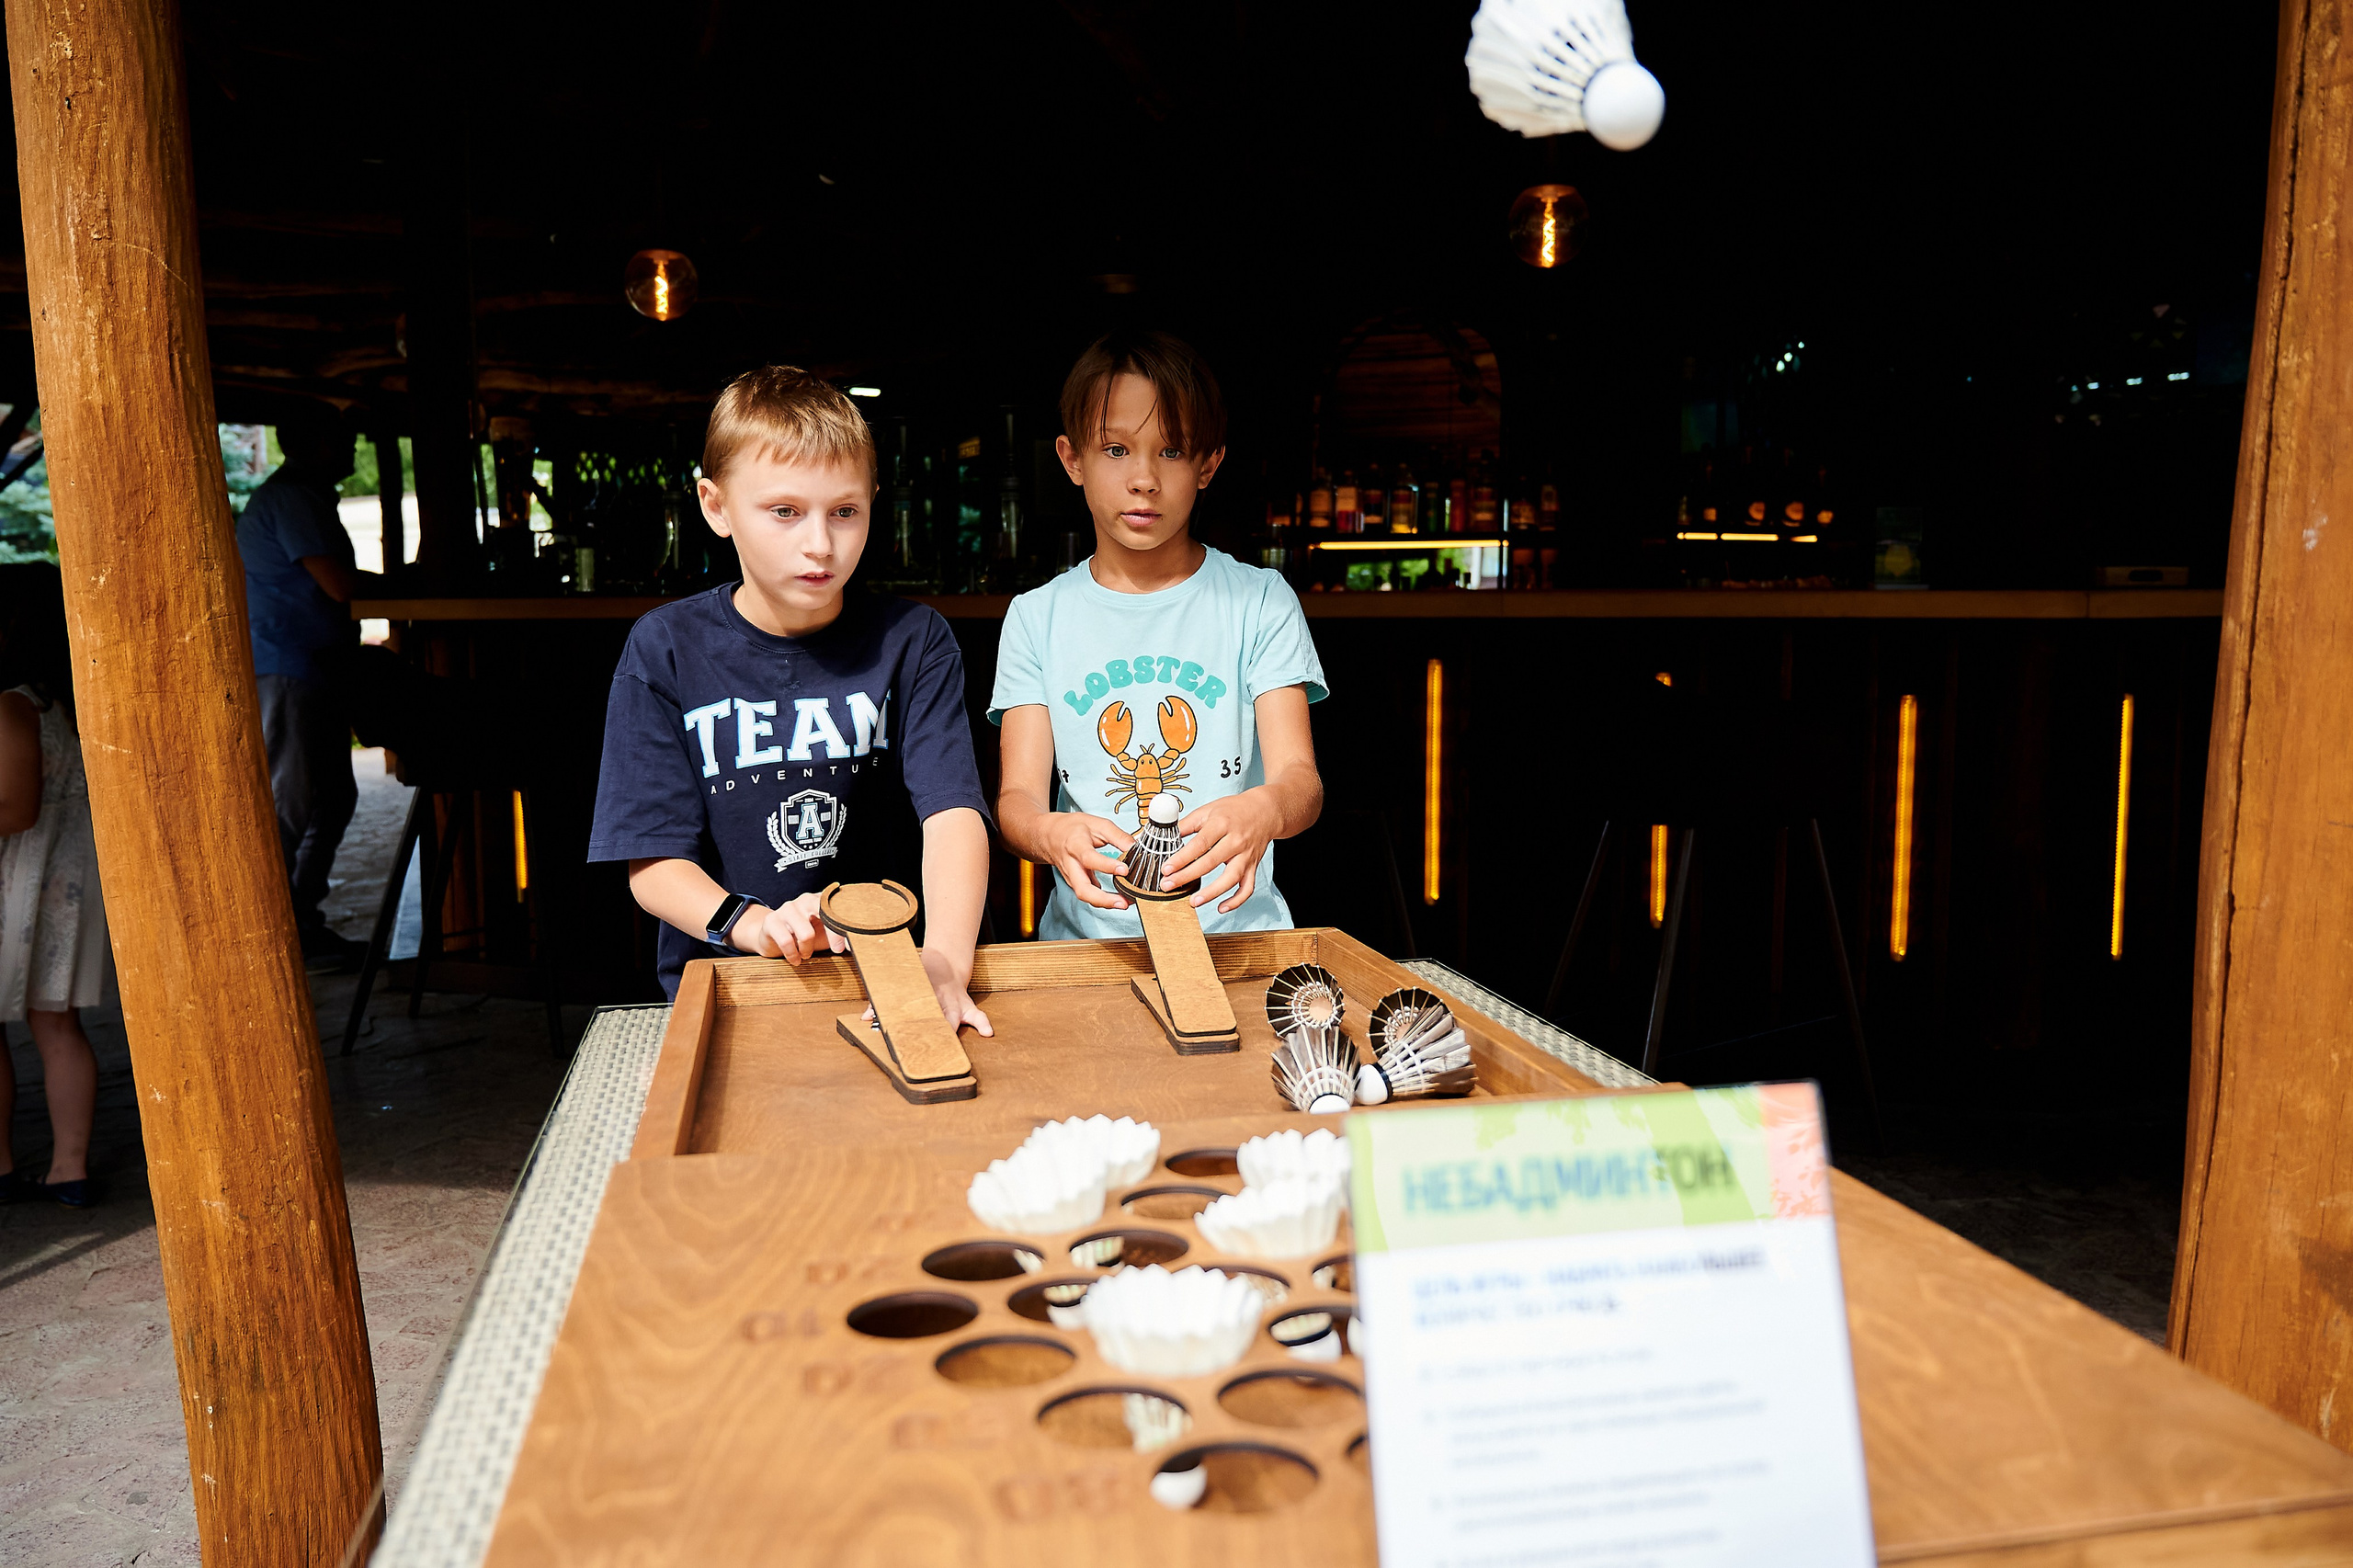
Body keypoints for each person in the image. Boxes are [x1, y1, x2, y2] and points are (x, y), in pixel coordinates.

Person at [588, 367, 993, 1023]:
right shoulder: (664, 649)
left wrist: (945, 965)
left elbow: (953, 816)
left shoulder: (916, 641)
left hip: (900, 979)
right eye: (784, 512)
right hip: (735, 987)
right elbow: (655, 860)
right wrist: (754, 925)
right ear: (715, 506)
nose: (819, 544)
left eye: (845, 512)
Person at [992, 330, 1327, 938]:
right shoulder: (1035, 618)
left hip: (1239, 941)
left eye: (1171, 451)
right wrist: (1048, 832)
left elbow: (1301, 783)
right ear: (1072, 460)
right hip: (1086, 953)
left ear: (1208, 464)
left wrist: (1264, 807)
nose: (1144, 478)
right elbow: (1017, 798)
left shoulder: (1260, 602)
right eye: (1116, 450)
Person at [236, 412, 373, 971]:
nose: (353, 447)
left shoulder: (303, 496)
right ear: (315, 444)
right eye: (344, 439)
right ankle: (271, 936)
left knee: (331, 798)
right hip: (288, 665)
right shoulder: (292, 499)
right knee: (289, 804)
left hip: (308, 665)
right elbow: (339, 585)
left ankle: (299, 923)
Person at [0, 564, 108, 1207]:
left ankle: (8, 1164)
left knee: (41, 1028)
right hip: (60, 881)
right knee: (57, 1025)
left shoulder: (14, 704)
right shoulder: (62, 696)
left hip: (25, 885)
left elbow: (16, 810)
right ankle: (70, 1167)